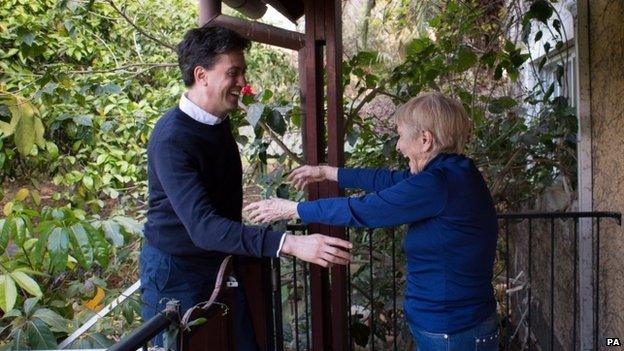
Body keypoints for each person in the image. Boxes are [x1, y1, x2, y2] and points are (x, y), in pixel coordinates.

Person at [141, 24, 352, 350]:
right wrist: (292, 244)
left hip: (220, 262)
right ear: (202, 75)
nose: (243, 82)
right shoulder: (172, 139)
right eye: (234, 73)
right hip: (175, 273)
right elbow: (204, 227)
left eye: (243, 72)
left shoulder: (218, 123)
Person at [245, 92, 499, 351]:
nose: (398, 146)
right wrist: (327, 172)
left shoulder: (439, 183)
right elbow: (385, 180)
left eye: (400, 136)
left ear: (425, 140)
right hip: (453, 326)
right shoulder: (454, 173)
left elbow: (365, 210)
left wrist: (293, 209)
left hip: (454, 330)